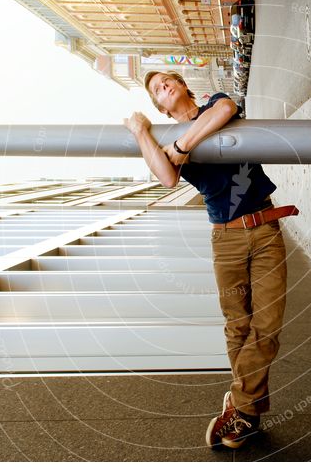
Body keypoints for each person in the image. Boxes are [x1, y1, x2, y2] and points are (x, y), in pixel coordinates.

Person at [123, 70, 298, 449]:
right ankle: (246, 415)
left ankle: (239, 407)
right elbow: (167, 178)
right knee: (238, 326)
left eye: (167, 80)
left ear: (182, 84)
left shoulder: (211, 107)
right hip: (226, 239)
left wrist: (184, 146)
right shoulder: (163, 139)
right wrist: (141, 132)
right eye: (156, 90)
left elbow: (225, 108)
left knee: (266, 326)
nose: (163, 86)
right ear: (159, 107)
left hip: (265, 229)